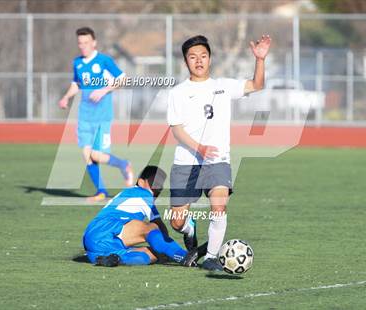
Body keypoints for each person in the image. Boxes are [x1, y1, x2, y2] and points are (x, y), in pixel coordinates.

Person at [167, 34, 271, 271]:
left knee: (219, 205)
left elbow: (257, 85)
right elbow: (177, 130)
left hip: (217, 160)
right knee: (176, 222)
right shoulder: (178, 92)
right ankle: (190, 228)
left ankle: (212, 257)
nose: (199, 61)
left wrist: (260, 59)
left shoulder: (223, 86)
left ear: (210, 58)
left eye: (203, 56)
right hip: (186, 162)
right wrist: (199, 148)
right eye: (193, 57)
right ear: (186, 62)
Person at [59, 27, 133, 202]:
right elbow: (76, 84)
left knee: (96, 155)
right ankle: (101, 191)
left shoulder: (104, 61)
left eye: (86, 42)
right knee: (86, 155)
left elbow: (122, 79)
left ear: (94, 42)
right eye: (80, 43)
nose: (83, 46)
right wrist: (66, 97)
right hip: (84, 116)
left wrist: (104, 89)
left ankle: (124, 165)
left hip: (102, 116)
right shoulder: (77, 62)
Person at [82, 165, 204, 267]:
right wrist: (171, 250)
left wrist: (164, 250)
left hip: (93, 243)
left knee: (151, 255)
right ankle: (184, 256)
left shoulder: (128, 193)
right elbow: (159, 227)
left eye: (160, 185)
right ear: (141, 181)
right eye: (154, 183)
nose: (158, 187)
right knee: (152, 228)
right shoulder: (143, 193)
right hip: (105, 228)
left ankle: (116, 259)